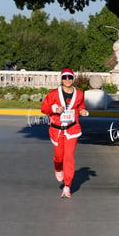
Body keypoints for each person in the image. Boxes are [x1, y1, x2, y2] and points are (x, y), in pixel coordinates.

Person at [41, 68, 89, 198]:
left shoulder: (79, 94)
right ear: (61, 79)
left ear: (73, 79)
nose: (67, 80)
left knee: (68, 157)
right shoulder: (54, 94)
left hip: (72, 130)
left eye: (70, 77)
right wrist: (55, 109)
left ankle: (67, 186)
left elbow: (81, 106)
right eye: (65, 77)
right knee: (59, 157)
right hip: (57, 129)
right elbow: (43, 108)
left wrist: (83, 111)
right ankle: (58, 168)